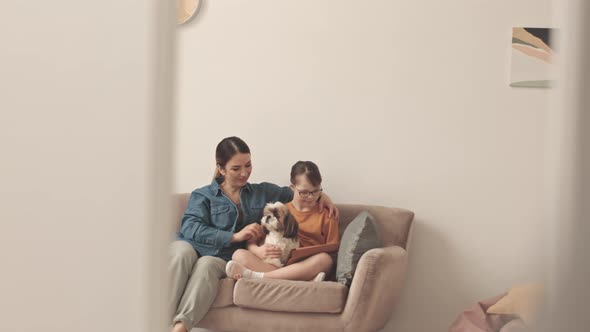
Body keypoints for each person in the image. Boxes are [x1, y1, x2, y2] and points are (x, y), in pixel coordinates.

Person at [169, 137, 339, 332]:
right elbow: (191, 227)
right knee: (181, 254)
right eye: (236, 168)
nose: (244, 173)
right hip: (190, 244)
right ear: (222, 169)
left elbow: (298, 191)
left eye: (248, 165)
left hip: (221, 256)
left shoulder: (262, 192)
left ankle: (180, 327)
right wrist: (234, 237)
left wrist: (324, 198)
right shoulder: (203, 195)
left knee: (206, 265)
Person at [225, 160, 339, 282]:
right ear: (292, 188)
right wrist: (257, 250)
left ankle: (258, 276)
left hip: (307, 264)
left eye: (315, 191)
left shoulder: (327, 214)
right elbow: (252, 240)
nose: (311, 197)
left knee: (324, 260)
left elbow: (333, 252)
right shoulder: (280, 210)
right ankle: (301, 279)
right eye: (304, 192)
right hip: (276, 265)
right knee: (238, 255)